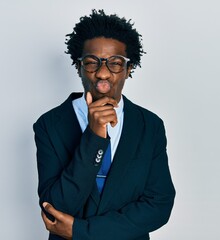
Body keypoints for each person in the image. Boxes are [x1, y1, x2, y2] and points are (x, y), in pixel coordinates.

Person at [33, 9, 175, 240]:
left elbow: (159, 205)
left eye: (115, 63)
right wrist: (94, 135)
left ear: (129, 70)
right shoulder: (50, 125)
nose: (102, 74)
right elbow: (55, 208)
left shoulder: (149, 126)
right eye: (92, 63)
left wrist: (82, 231)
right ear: (79, 66)